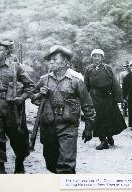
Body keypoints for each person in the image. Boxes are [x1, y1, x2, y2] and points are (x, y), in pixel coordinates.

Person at [31, 45, 95, 173]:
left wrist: (89, 127)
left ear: (65, 62)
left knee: (66, 164)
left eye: (55, 59)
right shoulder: (44, 80)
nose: (51, 62)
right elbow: (33, 97)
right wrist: (39, 94)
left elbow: (88, 106)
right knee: (51, 162)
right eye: (50, 60)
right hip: (48, 126)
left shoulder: (76, 81)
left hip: (68, 126)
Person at [0, 38, 35, 174]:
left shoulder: (16, 67)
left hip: (13, 109)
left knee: (19, 139)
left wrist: (22, 98)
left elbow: (30, 86)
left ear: (6, 51)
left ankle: (19, 162)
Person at [84, 49, 127, 150]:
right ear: (92, 58)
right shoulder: (88, 70)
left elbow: (115, 83)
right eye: (94, 56)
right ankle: (103, 140)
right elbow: (85, 86)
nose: (96, 58)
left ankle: (109, 136)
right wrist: (85, 100)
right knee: (98, 119)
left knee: (109, 118)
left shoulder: (108, 68)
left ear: (102, 58)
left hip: (108, 97)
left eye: (98, 56)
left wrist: (118, 98)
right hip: (95, 98)